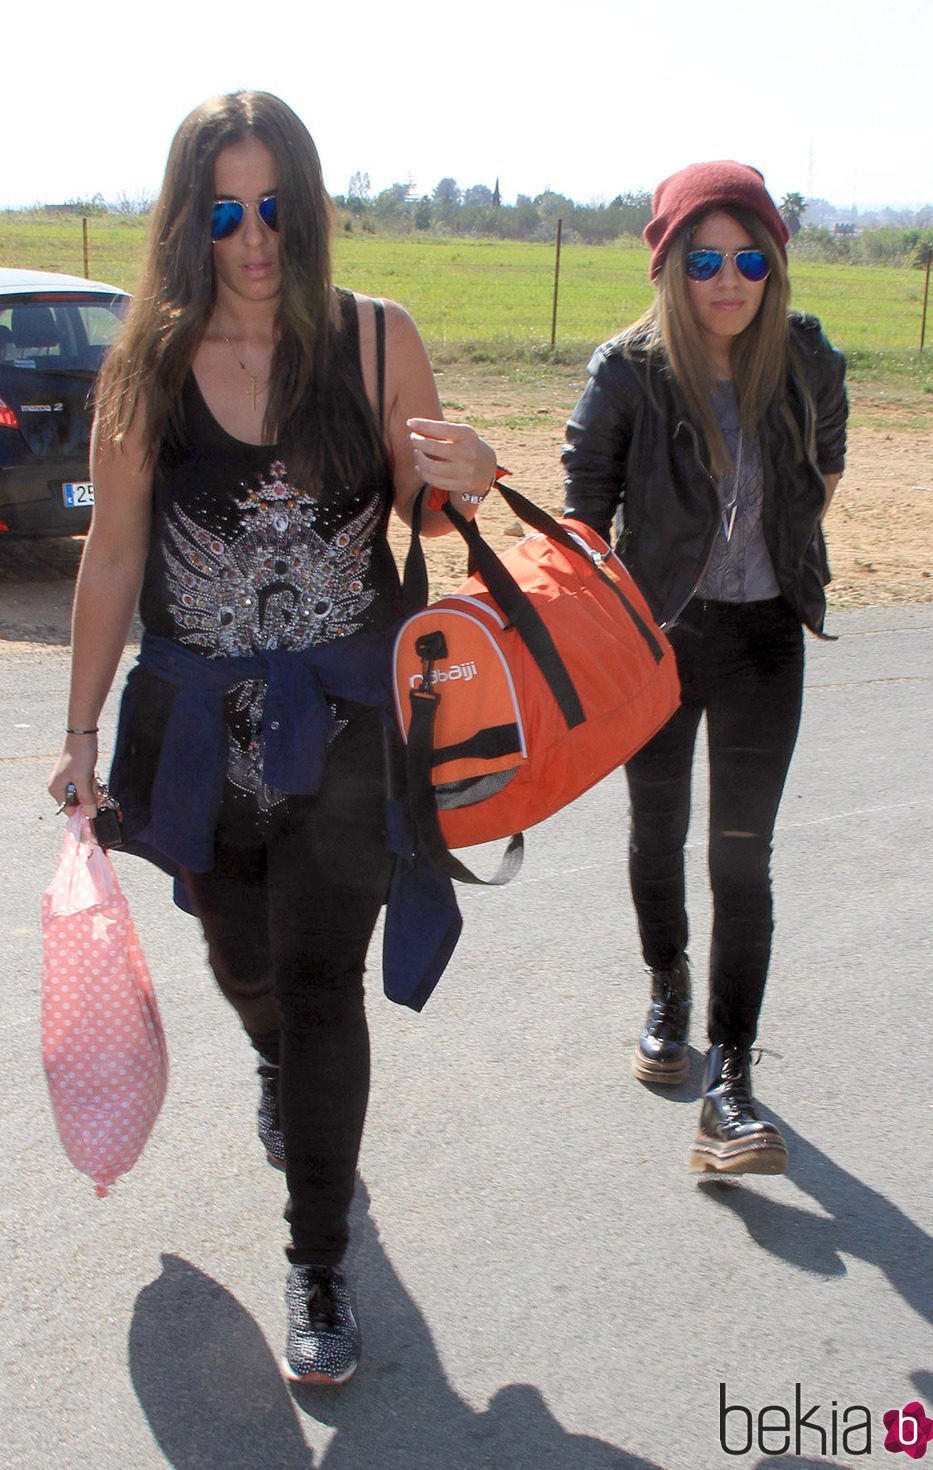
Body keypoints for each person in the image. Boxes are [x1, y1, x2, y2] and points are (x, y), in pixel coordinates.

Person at [46, 90, 499, 1384]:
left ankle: (318, 1258)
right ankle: (267, 1056)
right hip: (198, 740)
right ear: (193, 222)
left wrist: (467, 465)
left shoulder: (373, 342)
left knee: (321, 984)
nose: (255, 239)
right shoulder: (145, 369)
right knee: (245, 964)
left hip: (348, 737)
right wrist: (80, 728)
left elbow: (425, 491)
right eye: (226, 211)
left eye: (275, 207)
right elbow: (117, 550)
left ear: (307, 206)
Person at [562, 161, 847, 1176]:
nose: (726, 280)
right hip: (657, 643)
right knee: (656, 829)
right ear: (668, 266)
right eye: (703, 259)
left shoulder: (807, 362)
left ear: (771, 266)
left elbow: (821, 471)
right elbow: (579, 521)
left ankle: (728, 1082)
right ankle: (667, 992)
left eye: (746, 259)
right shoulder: (626, 371)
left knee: (740, 859)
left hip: (765, 638)